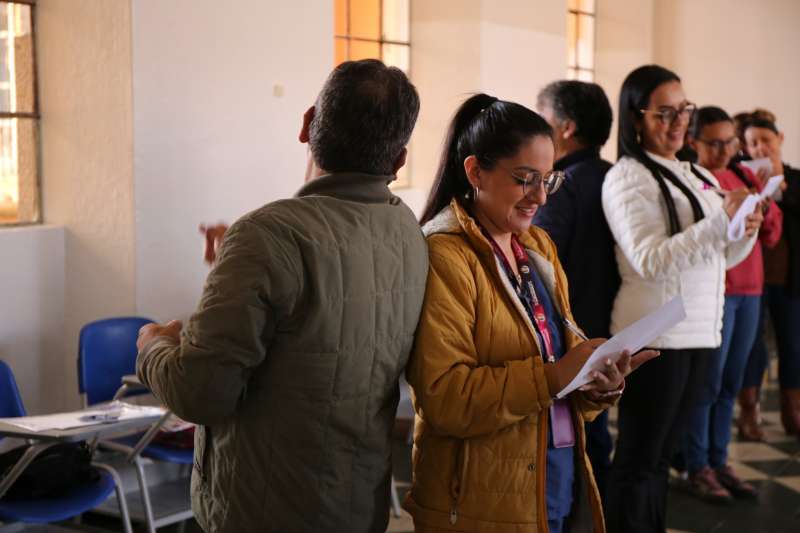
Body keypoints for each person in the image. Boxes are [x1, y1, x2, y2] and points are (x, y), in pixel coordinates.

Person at [135, 59, 429, 533]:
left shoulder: (267, 235)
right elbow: (332, 313)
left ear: (308, 124)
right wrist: (238, 265)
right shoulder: (407, 231)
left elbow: (200, 392)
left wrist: (152, 346)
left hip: (264, 507)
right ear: (399, 160)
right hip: (356, 504)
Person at [405, 93, 659, 533]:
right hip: (480, 496)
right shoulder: (445, 255)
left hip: (551, 473)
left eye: (548, 179)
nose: (540, 196)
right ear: (475, 171)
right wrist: (555, 376)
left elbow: (561, 349)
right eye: (525, 179)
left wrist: (597, 383)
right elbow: (445, 397)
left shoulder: (536, 246)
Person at [601, 65, 762, 533]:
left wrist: (742, 231)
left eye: (683, 110)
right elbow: (650, 259)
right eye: (664, 113)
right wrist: (718, 225)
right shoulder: (629, 178)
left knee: (662, 459)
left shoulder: (689, 172)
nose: (677, 122)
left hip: (696, 332)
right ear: (636, 119)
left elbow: (718, 256)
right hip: (657, 334)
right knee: (639, 458)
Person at [681, 106, 782, 502]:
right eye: (716, 142)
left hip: (751, 290)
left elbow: (769, 237)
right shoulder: (695, 180)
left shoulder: (743, 174)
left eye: (730, 142)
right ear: (694, 142)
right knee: (707, 383)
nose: (726, 150)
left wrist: (766, 202)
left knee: (731, 382)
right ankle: (697, 464)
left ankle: (720, 460)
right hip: (716, 290)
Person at [533, 79, 619, 504]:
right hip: (612, 322)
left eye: (543, 118)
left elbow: (539, 264)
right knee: (598, 436)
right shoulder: (615, 175)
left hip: (573, 331)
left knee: (581, 441)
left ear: (565, 128)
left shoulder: (563, 185)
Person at [739, 113, 800, 440]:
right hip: (753, 281)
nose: (760, 146)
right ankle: (750, 411)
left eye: (765, 139)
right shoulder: (742, 178)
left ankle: (793, 411)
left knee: (793, 344)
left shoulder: (795, 178)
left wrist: (784, 190)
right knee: (753, 347)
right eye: (752, 142)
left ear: (780, 140)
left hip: (790, 279)